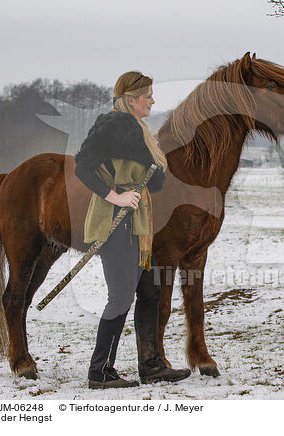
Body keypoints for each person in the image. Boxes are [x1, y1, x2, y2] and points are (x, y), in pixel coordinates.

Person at [74, 71, 191, 389]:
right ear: (130, 99)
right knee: (121, 297)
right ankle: (100, 372)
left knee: (150, 291)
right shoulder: (112, 125)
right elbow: (82, 165)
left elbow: (155, 179)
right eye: (148, 95)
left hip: (138, 223)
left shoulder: (139, 130)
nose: (153, 100)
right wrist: (116, 195)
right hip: (117, 219)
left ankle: (151, 365)